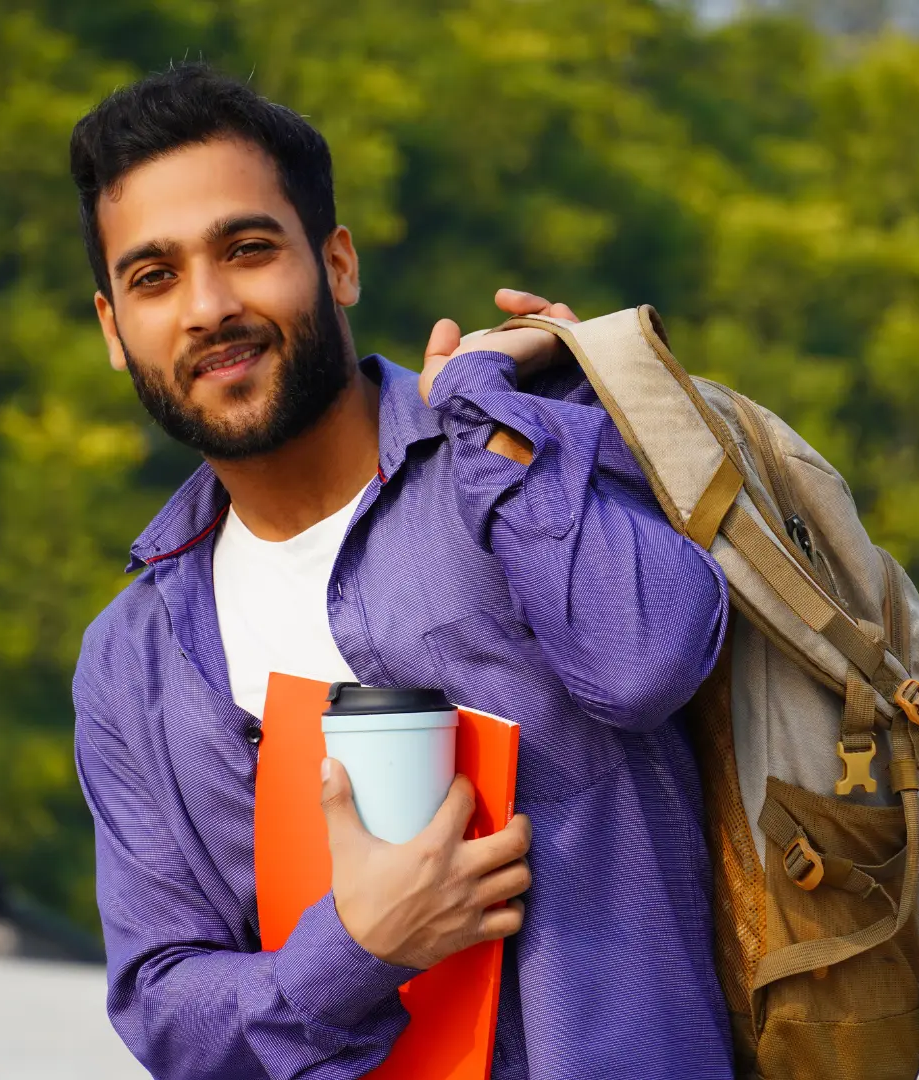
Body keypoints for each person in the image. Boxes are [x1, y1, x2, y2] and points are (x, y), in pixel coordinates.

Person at [69, 63, 733, 1080]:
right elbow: (165, 1008)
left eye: (247, 249)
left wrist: (502, 418)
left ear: (337, 263)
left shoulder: (511, 450)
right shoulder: (131, 661)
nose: (206, 307)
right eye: (153, 278)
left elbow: (649, 660)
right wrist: (359, 949)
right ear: (115, 330)